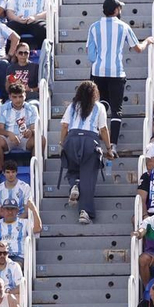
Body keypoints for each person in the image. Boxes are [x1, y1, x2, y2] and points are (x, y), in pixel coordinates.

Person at [86, 0, 152, 134]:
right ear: (116, 10)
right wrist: (147, 41)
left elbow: (90, 54)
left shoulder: (94, 26)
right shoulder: (123, 26)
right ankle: (114, 145)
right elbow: (138, 48)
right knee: (116, 109)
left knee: (101, 104)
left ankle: (97, 135)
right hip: (116, 72)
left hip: (98, 71)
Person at [61, 80, 115, 225]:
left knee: (72, 169)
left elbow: (65, 126)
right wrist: (109, 148)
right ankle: (85, 212)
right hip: (90, 141)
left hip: (71, 139)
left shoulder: (72, 106)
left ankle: (74, 184)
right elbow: (103, 129)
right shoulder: (99, 107)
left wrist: (62, 143)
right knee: (88, 177)